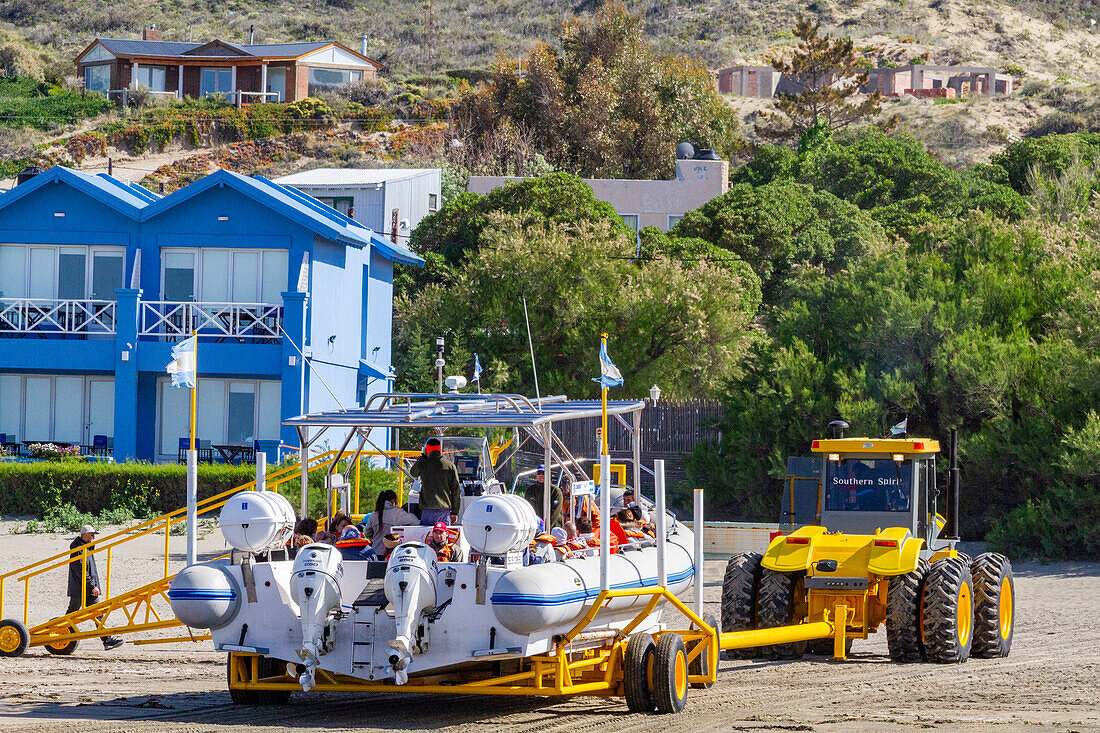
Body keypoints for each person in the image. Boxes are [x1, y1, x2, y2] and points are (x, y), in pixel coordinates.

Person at [67, 525, 124, 651]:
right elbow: (81, 570)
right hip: (80, 588)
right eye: (92, 535)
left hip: (86, 588)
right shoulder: (78, 549)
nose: (94, 537)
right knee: (71, 614)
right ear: (85, 535)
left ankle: (107, 640)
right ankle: (62, 635)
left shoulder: (86, 548)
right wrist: (92, 586)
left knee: (97, 613)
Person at [410, 438, 461, 527]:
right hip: (444, 512)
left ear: (427, 450)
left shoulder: (422, 464)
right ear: (440, 449)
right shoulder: (450, 466)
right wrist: (455, 512)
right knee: (444, 538)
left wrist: (423, 457)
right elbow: (456, 491)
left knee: (426, 538)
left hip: (427, 511)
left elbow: (413, 472)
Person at [363, 490, 419, 558]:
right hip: (392, 554)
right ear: (393, 501)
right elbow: (415, 522)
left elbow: (367, 533)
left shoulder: (374, 515)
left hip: (376, 554)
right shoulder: (398, 513)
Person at [522, 465, 563, 530]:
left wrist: (545, 528)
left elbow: (555, 512)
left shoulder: (555, 491)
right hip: (535, 527)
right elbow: (526, 509)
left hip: (553, 528)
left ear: (549, 475)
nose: (541, 475)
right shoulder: (530, 490)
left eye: (543, 473)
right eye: (539, 473)